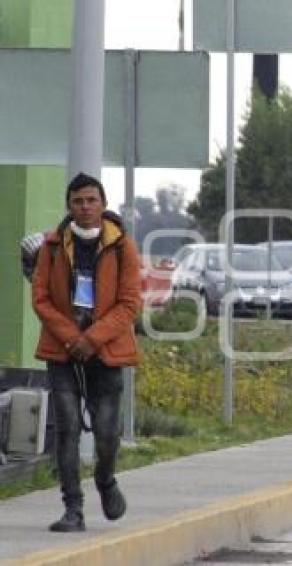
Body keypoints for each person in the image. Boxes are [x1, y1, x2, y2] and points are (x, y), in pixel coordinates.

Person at [31, 173, 142, 532]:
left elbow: (129, 304)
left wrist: (92, 338)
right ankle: (72, 509)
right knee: (68, 428)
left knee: (107, 432)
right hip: (63, 352)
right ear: (69, 206)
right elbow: (41, 299)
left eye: (91, 200)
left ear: (103, 204)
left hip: (105, 351)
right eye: (78, 201)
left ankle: (106, 479)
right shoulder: (51, 246)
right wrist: (69, 338)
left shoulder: (122, 245)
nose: (85, 207)